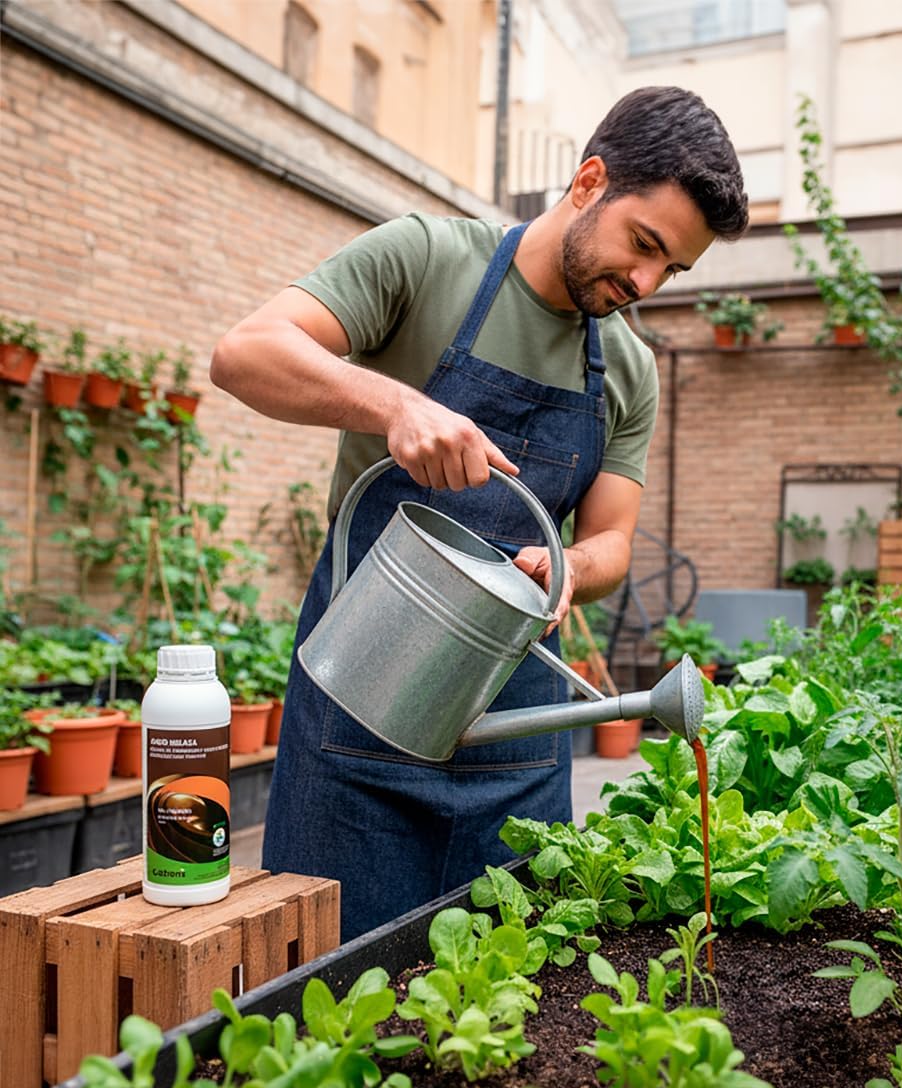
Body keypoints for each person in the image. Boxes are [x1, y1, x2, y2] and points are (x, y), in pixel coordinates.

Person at [210, 86, 748, 941]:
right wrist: (395, 407)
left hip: (518, 736)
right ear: (589, 182)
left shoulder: (628, 372)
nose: (644, 283)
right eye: (644, 245)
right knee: (327, 1007)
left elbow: (610, 541)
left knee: (510, 1022)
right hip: (364, 710)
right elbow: (244, 354)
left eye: (671, 271)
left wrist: (569, 566)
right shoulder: (427, 261)